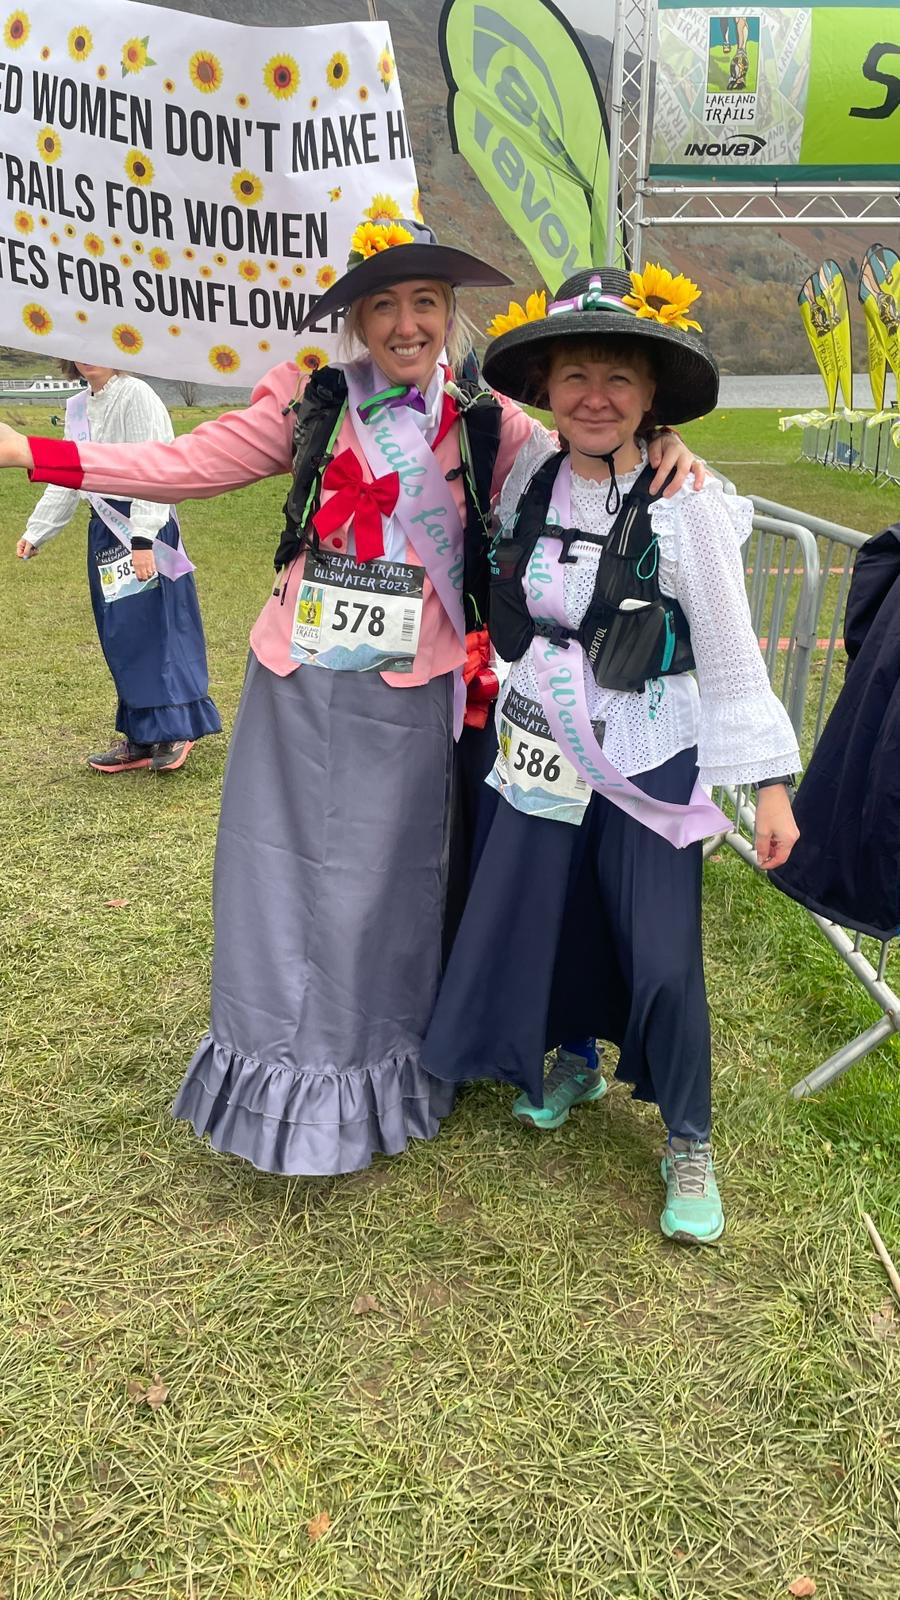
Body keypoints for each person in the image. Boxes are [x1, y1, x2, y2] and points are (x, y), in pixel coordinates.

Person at [0, 221, 701, 1178]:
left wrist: (665, 445)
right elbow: (187, 465)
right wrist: (32, 453)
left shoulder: (488, 422)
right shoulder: (313, 399)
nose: (406, 324)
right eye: (384, 305)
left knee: (388, 887)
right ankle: (275, 1069)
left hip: (410, 694)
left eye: (425, 303)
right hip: (297, 683)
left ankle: (376, 1072)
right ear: (358, 320)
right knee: (278, 879)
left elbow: (593, 443)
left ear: (449, 315)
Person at [421, 264, 802, 1244]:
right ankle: (576, 1059)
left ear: (651, 394)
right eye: (576, 375)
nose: (596, 396)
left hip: (649, 750)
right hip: (542, 742)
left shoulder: (687, 505)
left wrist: (768, 788)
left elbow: (730, 655)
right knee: (555, 910)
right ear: (546, 389)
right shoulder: (529, 481)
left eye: (619, 377)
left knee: (663, 954)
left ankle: (690, 1138)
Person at [15, 361, 220, 773]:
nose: (87, 356)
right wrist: (38, 530)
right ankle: (141, 734)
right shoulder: (78, 407)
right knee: (123, 633)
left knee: (159, 627)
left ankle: (176, 728)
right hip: (105, 531)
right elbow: (69, 472)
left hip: (143, 526)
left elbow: (157, 467)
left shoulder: (135, 393)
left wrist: (142, 538)